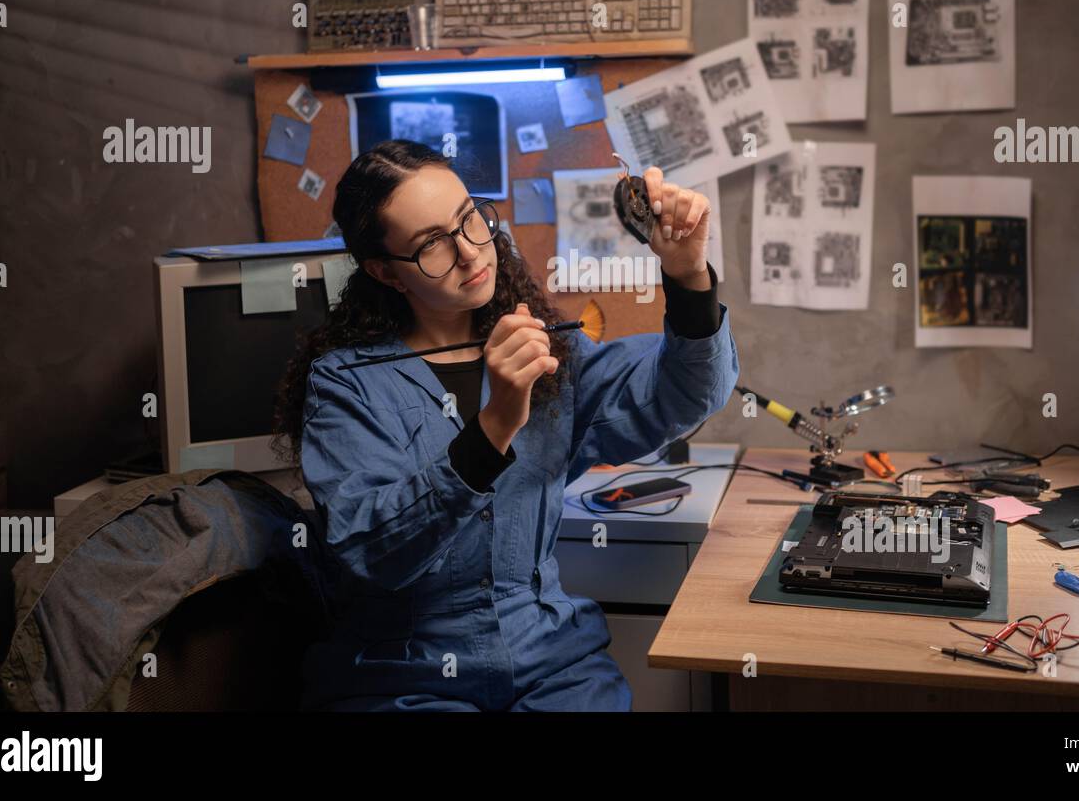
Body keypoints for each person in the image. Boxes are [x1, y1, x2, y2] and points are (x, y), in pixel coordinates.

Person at [272, 139, 739, 711]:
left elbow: (686, 393)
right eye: (431, 246)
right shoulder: (346, 385)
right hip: (407, 676)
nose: (471, 253)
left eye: (470, 220)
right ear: (384, 272)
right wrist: (493, 426)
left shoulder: (549, 351)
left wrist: (688, 273)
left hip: (553, 662)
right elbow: (375, 551)